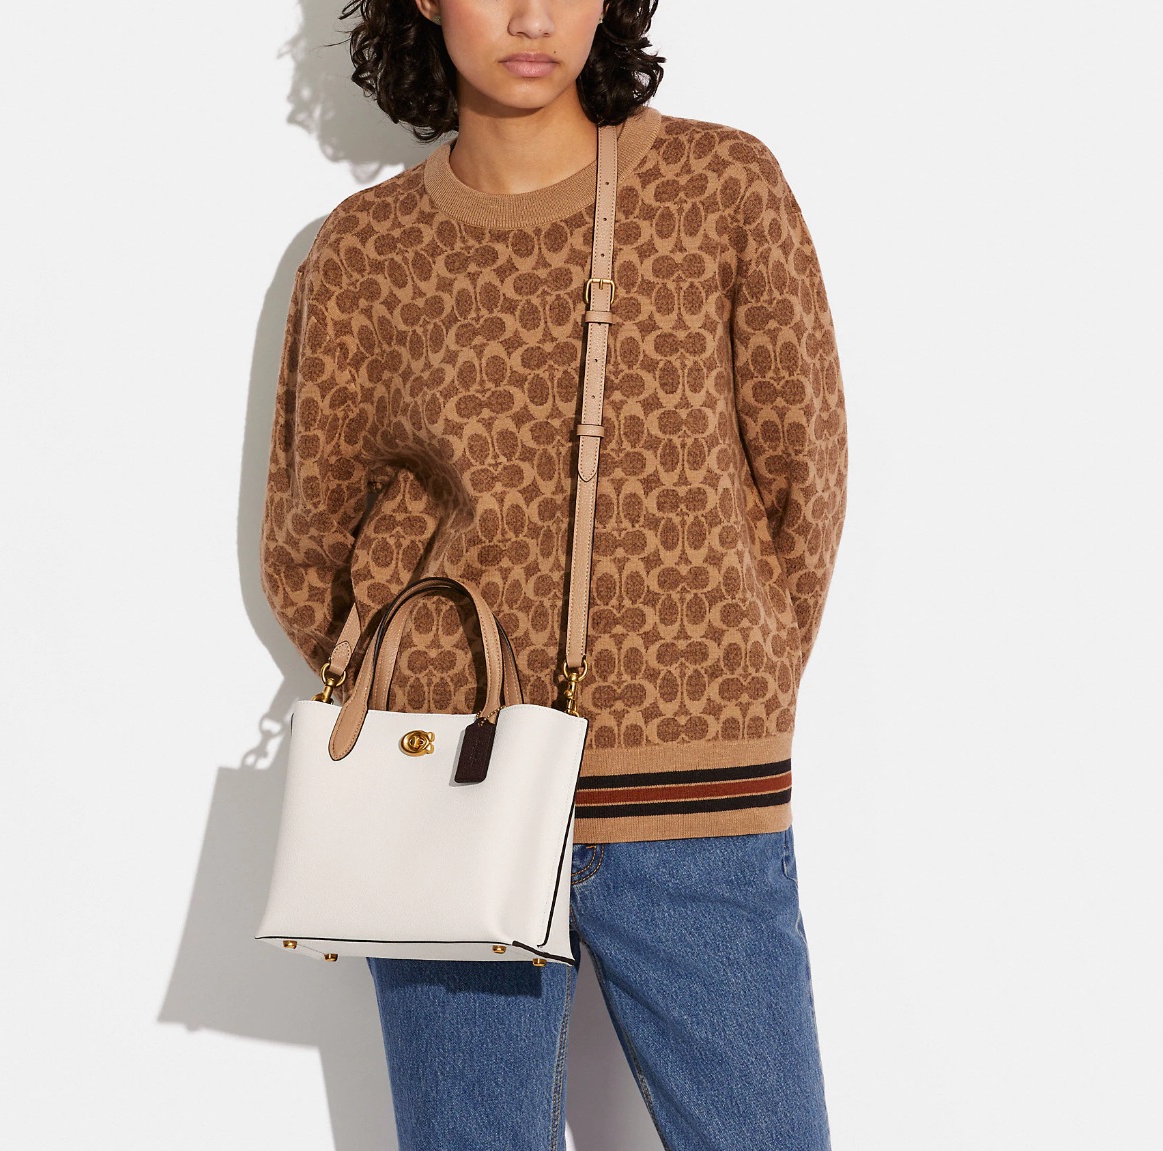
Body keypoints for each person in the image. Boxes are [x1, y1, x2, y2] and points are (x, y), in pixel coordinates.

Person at [260, 1, 848, 1146]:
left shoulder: (722, 190)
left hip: (699, 803)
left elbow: (803, 475)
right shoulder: (365, 253)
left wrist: (732, 685)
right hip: (448, 803)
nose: (532, 15)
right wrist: (420, 709)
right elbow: (305, 541)